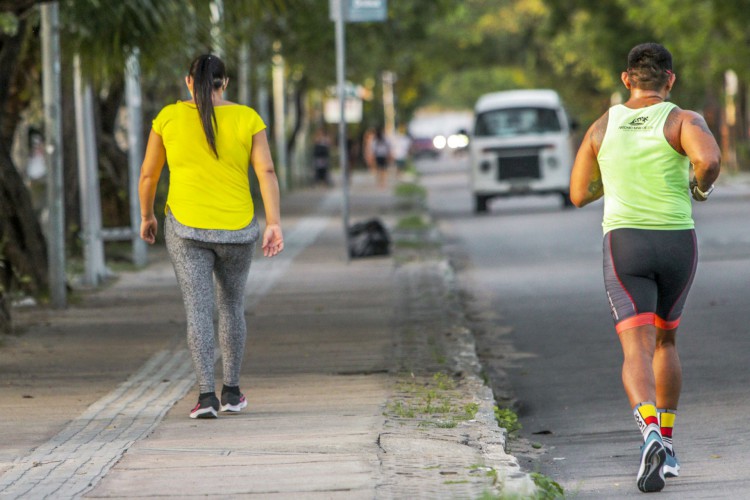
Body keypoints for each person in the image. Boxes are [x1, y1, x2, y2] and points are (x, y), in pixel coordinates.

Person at [569, 43, 720, 493]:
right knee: (666, 340)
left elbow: (578, 192)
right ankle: (667, 444)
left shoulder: (602, 126)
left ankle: (649, 433)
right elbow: (708, 160)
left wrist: (612, 181)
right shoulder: (683, 120)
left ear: (626, 79)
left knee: (635, 347)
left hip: (625, 244)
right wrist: (699, 187)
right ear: (670, 80)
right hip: (677, 243)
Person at [139, 54, 284, 419]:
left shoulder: (168, 118)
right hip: (237, 227)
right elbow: (265, 171)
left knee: (198, 311)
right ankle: (232, 391)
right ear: (226, 83)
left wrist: (147, 216)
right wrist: (273, 222)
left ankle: (206, 398)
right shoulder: (247, 118)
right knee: (232, 306)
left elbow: (148, 177)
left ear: (188, 81)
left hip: (186, 228)